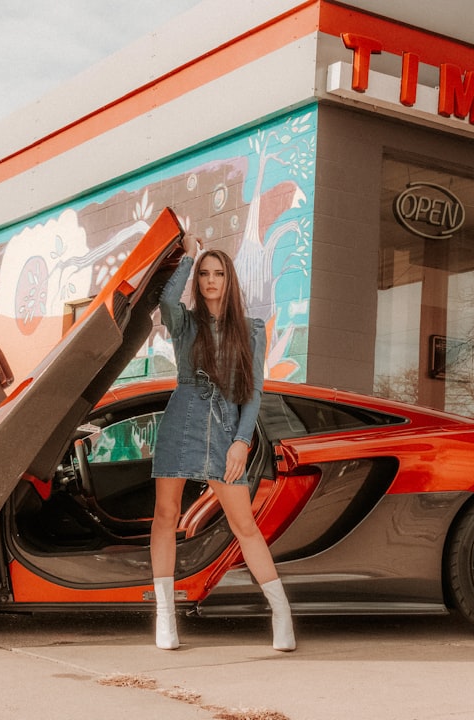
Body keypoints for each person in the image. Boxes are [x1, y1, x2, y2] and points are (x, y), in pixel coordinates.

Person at [149, 232, 295, 652]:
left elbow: (253, 393)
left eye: (219, 273)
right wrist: (188, 258)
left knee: (244, 525)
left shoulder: (250, 330)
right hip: (183, 419)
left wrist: (241, 442)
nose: (211, 280)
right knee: (165, 516)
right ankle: (166, 618)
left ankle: (281, 614)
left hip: (226, 428)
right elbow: (166, 303)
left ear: (229, 281)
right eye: (205, 274)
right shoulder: (185, 323)